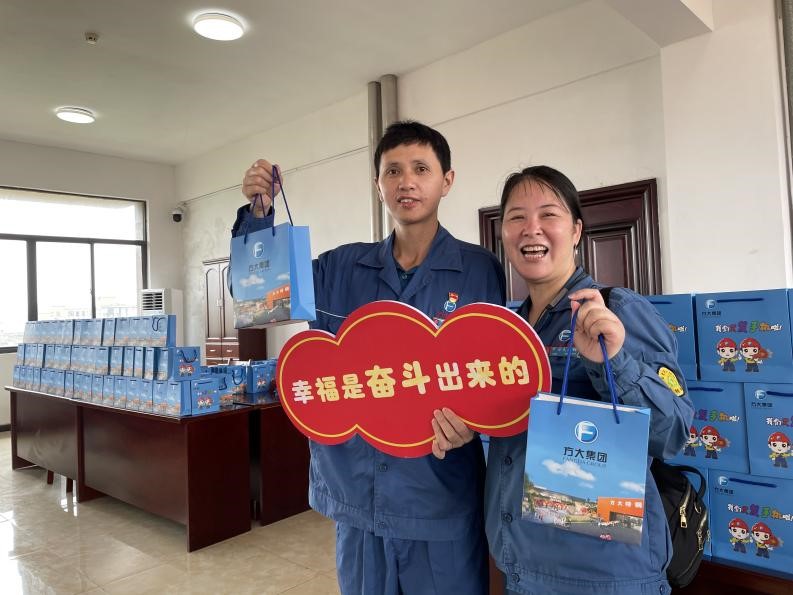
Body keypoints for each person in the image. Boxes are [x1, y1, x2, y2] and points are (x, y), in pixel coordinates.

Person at [233, 121, 506, 595]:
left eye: (421, 169)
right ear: (378, 185)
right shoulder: (341, 268)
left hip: (438, 499)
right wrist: (259, 217)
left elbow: (493, 376)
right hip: (357, 496)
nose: (407, 181)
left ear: (447, 181)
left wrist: (474, 423)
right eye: (392, 171)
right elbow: (255, 296)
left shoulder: (479, 270)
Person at [432, 165, 694, 595]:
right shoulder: (506, 329)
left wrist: (613, 362)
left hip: (602, 576)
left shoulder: (616, 311)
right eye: (516, 217)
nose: (531, 229)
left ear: (575, 231)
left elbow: (674, 433)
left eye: (548, 215)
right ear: (504, 234)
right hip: (520, 566)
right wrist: (464, 426)